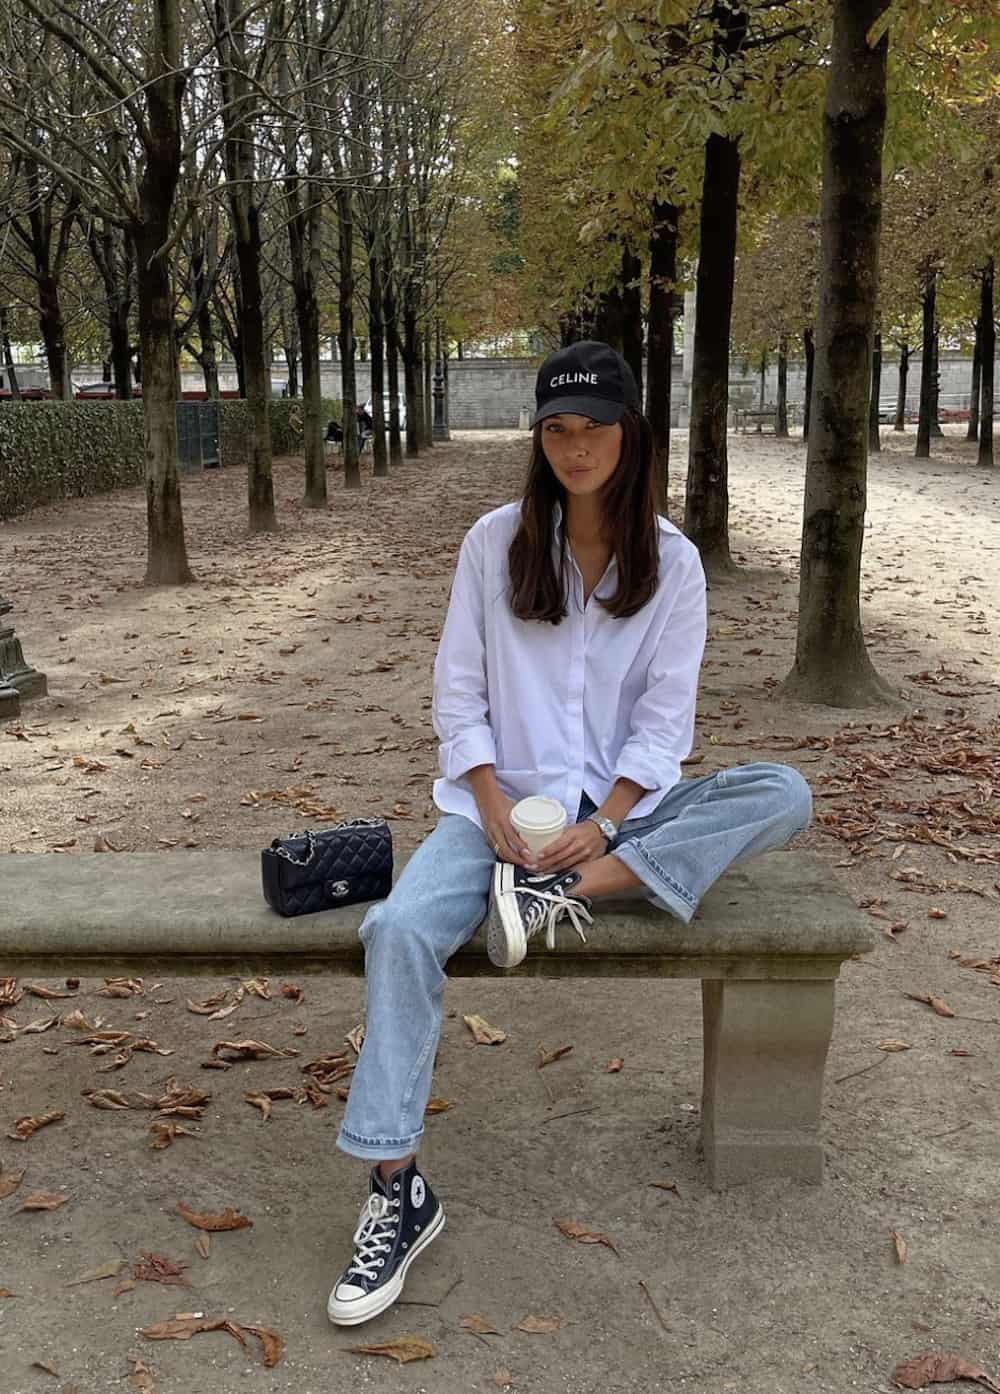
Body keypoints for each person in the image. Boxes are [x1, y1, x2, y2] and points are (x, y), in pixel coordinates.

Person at [326, 340, 812, 1327]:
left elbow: (663, 723)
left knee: (782, 792)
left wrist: (603, 830)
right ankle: (395, 1189)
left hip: (620, 817)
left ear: (630, 433)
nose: (576, 445)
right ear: (538, 437)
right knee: (397, 929)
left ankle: (560, 898)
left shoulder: (670, 562)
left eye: (594, 426)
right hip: (492, 815)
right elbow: (457, 694)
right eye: (558, 427)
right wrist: (494, 805)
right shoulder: (491, 544)